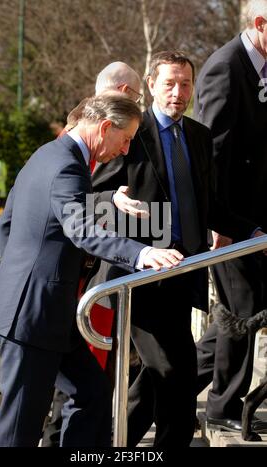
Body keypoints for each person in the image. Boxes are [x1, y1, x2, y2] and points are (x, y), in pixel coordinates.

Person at [0, 92, 184, 447]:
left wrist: (20, 276)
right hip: (34, 315)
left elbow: (13, 223)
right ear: (105, 127)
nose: (124, 151)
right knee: (17, 429)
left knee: (91, 393)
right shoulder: (67, 165)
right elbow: (81, 230)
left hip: (48, 311)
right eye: (124, 141)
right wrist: (141, 254)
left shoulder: (50, 153)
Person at [89, 51, 264, 447]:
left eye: (185, 83)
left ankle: (111, 447)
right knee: (176, 377)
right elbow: (96, 197)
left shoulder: (199, 137)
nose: (178, 92)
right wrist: (114, 204)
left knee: (154, 382)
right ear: (151, 85)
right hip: (141, 279)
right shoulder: (133, 134)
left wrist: (251, 230)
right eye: (169, 83)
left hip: (184, 276)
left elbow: (211, 206)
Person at [193, 0, 267, 433]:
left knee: (242, 317)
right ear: (260, 24)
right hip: (232, 222)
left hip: (258, 219)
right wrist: (218, 221)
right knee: (243, 310)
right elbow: (213, 153)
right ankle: (221, 409)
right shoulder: (226, 66)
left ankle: (167, 382)